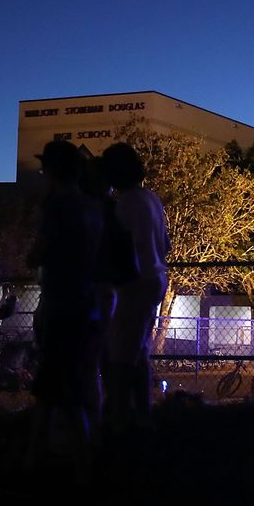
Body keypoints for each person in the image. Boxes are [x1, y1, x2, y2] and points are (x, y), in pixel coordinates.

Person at [24, 139, 103, 480]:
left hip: (60, 304)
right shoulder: (94, 208)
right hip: (87, 305)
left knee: (56, 385)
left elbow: (37, 254)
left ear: (53, 171)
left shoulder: (55, 208)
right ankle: (46, 457)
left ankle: (74, 464)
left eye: (45, 169)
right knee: (64, 382)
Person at [100, 142, 170, 428]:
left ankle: (118, 416)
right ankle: (143, 412)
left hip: (134, 284)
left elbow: (117, 249)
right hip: (154, 278)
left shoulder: (125, 205)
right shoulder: (151, 199)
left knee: (121, 356)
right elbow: (165, 244)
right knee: (138, 350)